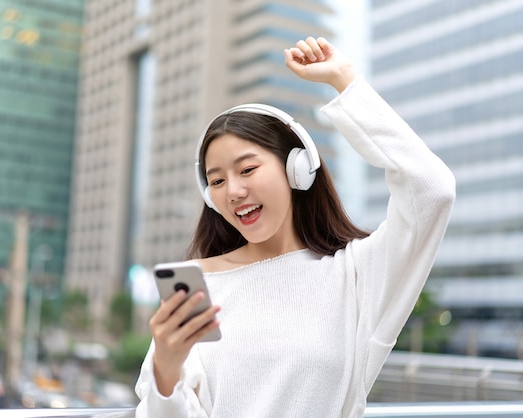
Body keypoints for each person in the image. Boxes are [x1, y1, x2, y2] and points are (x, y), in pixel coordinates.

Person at [134, 36, 456, 417]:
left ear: (297, 169)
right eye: (217, 181)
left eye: (248, 169)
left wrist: (344, 79)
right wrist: (166, 370)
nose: (233, 191)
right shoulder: (199, 285)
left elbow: (431, 190)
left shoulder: (355, 274)